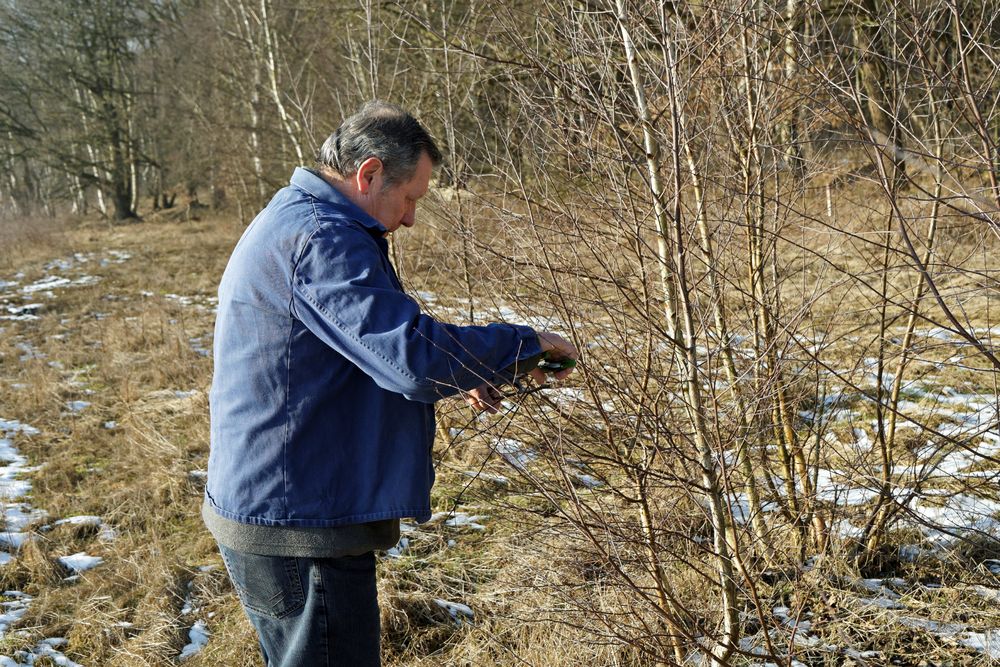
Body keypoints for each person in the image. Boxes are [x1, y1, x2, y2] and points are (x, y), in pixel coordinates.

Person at [203, 101, 578, 666]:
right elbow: (407, 356)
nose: (409, 219)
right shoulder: (323, 239)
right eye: (410, 199)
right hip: (302, 525)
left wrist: (474, 370)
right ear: (369, 173)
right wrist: (523, 344)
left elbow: (362, 346)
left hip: (284, 506)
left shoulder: (302, 218)